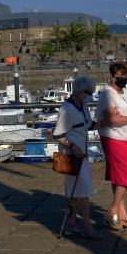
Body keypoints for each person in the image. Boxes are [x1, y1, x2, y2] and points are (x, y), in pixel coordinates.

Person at [94, 62, 127, 231]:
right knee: (126, 176)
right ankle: (113, 210)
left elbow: (122, 114)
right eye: (120, 76)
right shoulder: (108, 93)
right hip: (114, 139)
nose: (123, 79)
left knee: (119, 176)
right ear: (112, 77)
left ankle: (122, 214)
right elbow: (112, 119)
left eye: (125, 76)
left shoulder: (124, 91)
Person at [53, 75, 100, 239]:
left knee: (75, 194)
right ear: (80, 92)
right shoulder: (67, 110)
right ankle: (87, 225)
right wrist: (73, 146)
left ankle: (71, 224)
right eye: (89, 92)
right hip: (71, 158)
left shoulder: (84, 106)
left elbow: (89, 125)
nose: (90, 95)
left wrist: (107, 122)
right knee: (85, 191)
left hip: (84, 157)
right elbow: (58, 134)